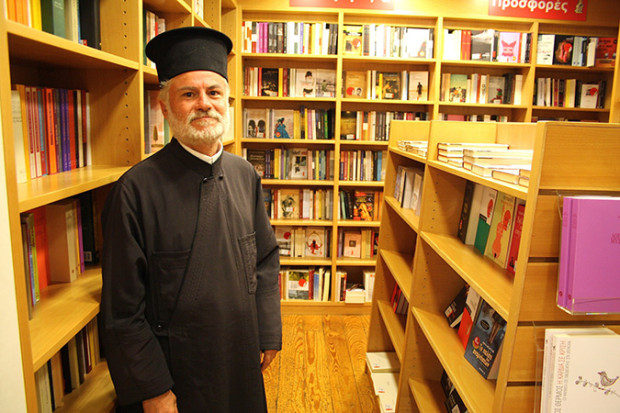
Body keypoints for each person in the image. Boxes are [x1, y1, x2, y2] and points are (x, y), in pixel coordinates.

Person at [99, 26, 282, 413]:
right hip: (176, 374)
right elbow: (122, 312)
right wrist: (152, 389)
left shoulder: (244, 174)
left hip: (240, 355)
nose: (204, 104)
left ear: (227, 102)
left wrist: (267, 331)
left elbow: (265, 260)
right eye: (188, 94)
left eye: (214, 93)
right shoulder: (133, 192)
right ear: (165, 108)